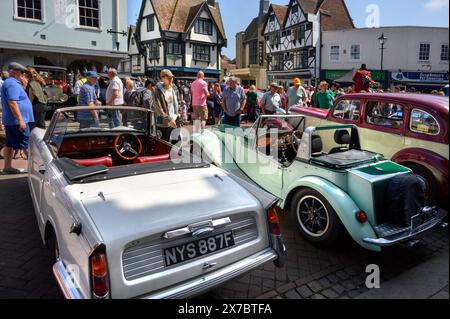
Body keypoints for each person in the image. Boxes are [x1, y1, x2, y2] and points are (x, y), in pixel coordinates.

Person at [1, 63, 34, 174]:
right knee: (27, 144)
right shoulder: (12, 84)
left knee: (9, 144)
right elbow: (12, 102)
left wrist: (23, 86)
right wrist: (20, 120)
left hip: (13, 121)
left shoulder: (13, 83)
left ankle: (7, 167)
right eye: (21, 72)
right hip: (17, 121)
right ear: (14, 72)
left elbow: (17, 99)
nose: (23, 75)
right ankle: (36, 169)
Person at [153, 69, 180, 143]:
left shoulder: (174, 87)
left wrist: (178, 114)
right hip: (163, 120)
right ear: (163, 78)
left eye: (172, 77)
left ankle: (175, 154)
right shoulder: (158, 90)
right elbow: (158, 107)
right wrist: (168, 119)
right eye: (169, 77)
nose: (171, 79)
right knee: (163, 142)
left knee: (177, 141)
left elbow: (177, 101)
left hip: (175, 118)